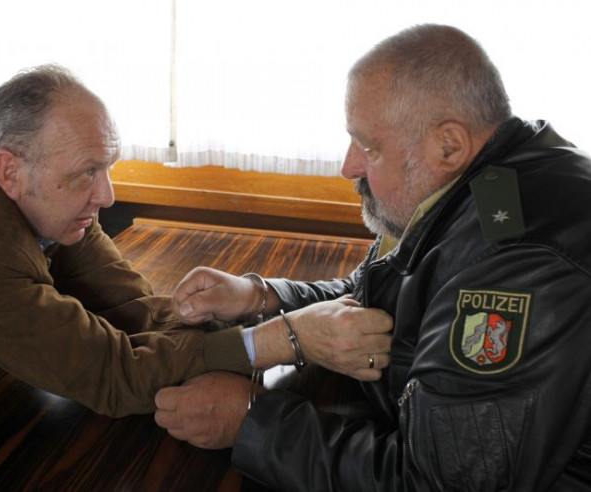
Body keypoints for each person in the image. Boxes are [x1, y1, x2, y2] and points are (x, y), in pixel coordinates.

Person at [154, 24, 591, 490]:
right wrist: (262, 296)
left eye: (368, 147)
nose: (349, 167)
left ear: (449, 144)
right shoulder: (491, 183)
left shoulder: (519, 265)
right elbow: (396, 290)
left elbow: (438, 484)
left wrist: (250, 420)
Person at [0, 64, 391, 422]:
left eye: (106, 167)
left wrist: (243, 321)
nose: (106, 196)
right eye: (87, 172)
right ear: (9, 170)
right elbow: (110, 375)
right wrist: (282, 340)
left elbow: (131, 306)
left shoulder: (39, 192)